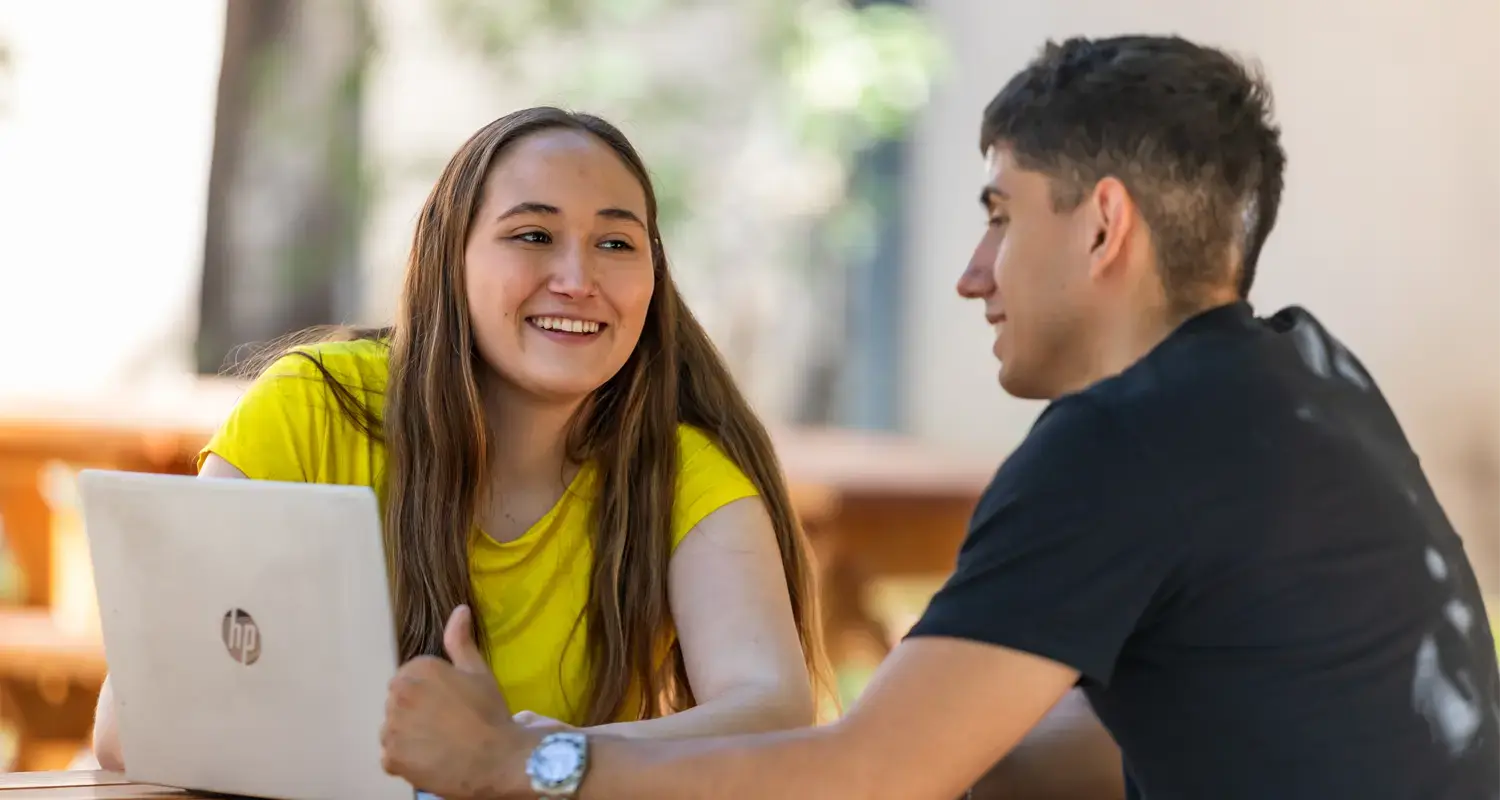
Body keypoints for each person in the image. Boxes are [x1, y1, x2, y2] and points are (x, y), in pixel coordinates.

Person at [374, 34, 1500, 800]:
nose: (973, 272)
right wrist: (944, 748)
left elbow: (865, 778)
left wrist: (520, 762)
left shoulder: (1121, 439)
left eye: (1001, 215)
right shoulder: (1307, 379)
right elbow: (1138, 728)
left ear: (1104, 226)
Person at [91, 107, 830, 771]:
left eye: (615, 242)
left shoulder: (684, 474)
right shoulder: (315, 408)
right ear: (453, 259)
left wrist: (525, 757)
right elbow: (133, 725)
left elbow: (772, 712)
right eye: (533, 235)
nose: (577, 277)